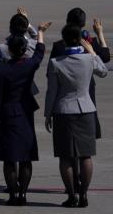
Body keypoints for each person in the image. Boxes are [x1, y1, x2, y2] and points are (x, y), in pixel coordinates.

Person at [45, 24, 108, 208]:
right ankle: (84, 195)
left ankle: (72, 195)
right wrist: (93, 53)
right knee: (85, 156)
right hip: (86, 109)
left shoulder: (56, 62)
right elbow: (103, 71)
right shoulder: (88, 59)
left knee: (66, 157)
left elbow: (51, 92)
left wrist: (48, 114)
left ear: (64, 40)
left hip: (64, 110)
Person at [0, 22, 50, 206]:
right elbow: (40, 52)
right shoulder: (29, 65)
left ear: (9, 50)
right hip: (25, 111)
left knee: (9, 158)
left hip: (8, 112)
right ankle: (23, 194)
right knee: (26, 157)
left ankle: (13, 195)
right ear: (24, 50)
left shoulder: (3, 69)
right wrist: (40, 32)